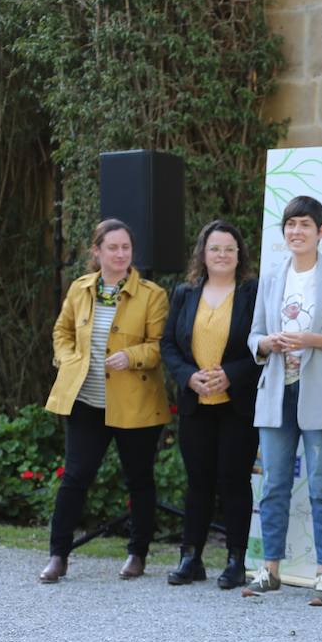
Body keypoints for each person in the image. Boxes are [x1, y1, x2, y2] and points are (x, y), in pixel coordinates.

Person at [245, 195, 322, 606]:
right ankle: (270, 569)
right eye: (290, 225)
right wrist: (268, 343)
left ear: (321, 231)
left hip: (320, 394)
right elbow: (254, 337)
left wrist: (315, 340)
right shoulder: (271, 278)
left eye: (304, 224)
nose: (296, 232)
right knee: (274, 484)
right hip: (277, 391)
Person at [40, 219, 171, 583]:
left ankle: (137, 553)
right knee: (75, 478)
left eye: (126, 247)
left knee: (139, 479)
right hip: (85, 403)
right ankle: (58, 555)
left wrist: (132, 356)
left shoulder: (152, 294)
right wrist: (67, 359)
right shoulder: (80, 289)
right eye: (112, 247)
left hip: (136, 403)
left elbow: (161, 346)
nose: (120, 254)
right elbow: (62, 331)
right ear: (96, 252)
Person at [161, 220, 261, 589]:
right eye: (215, 248)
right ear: (203, 253)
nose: (222, 255)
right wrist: (188, 376)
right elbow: (168, 345)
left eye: (229, 249)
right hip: (195, 403)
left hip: (236, 404)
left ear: (239, 255)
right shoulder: (185, 293)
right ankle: (191, 557)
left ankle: (236, 560)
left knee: (234, 482)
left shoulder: (253, 293)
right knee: (198, 482)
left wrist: (231, 374)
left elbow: (260, 346)